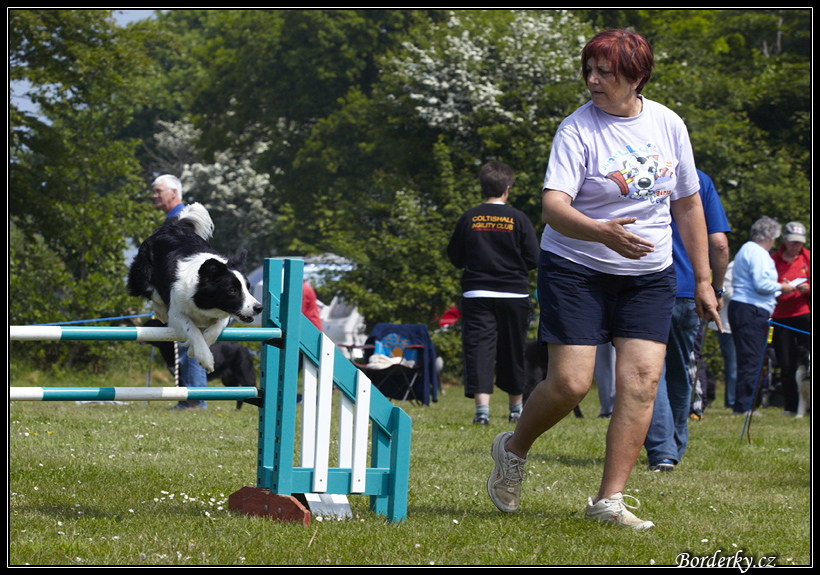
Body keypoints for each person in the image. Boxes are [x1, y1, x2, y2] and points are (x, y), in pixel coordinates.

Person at [486, 29, 721, 530]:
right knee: (571, 383)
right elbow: (553, 208)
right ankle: (513, 446)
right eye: (588, 70)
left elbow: (687, 201)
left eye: (604, 72)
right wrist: (601, 233)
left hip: (649, 274)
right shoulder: (577, 130)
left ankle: (608, 502)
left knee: (641, 382)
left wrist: (703, 279)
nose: (592, 80)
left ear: (637, 76)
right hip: (576, 267)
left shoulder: (668, 123)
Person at [644, 169, 730, 471]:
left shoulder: (643, 173)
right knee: (682, 371)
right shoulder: (701, 180)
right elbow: (719, 244)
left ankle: (662, 451)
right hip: (692, 292)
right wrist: (715, 289)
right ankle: (675, 446)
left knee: (650, 373)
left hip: (649, 286)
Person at [447, 161, 540, 426]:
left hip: (477, 294)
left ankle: (482, 412)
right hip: (514, 294)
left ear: (481, 188)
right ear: (507, 189)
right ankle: (516, 409)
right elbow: (534, 258)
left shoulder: (469, 217)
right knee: (514, 349)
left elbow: (454, 256)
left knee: (480, 349)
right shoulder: (519, 219)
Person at [151, 174, 208, 411]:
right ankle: (191, 398)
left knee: (189, 344)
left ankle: (194, 400)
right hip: (184, 293)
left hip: (186, 295)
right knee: (187, 343)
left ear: (174, 193)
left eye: (158, 191)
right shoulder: (178, 218)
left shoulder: (181, 219)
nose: (154, 196)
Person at [728, 216, 789, 416]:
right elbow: (762, 285)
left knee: (748, 358)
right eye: (775, 239)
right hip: (751, 309)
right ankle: (744, 407)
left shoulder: (747, 249)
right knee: (752, 358)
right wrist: (783, 287)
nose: (775, 244)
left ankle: (744, 404)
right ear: (768, 236)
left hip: (744, 308)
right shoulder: (758, 253)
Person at [771, 221, 810, 416]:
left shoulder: (808, 258)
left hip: (803, 314)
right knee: (786, 363)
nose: (796, 246)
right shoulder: (773, 259)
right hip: (780, 317)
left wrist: (808, 289)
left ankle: (807, 407)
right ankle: (790, 406)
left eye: (799, 242)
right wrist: (781, 287)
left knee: (807, 361)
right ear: (784, 240)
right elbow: (765, 284)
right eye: (792, 242)